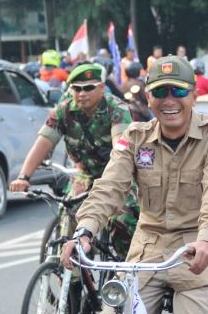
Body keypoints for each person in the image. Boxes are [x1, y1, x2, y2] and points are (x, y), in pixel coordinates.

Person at [61, 55, 208, 314]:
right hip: (148, 257)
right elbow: (109, 187)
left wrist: (205, 239)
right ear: (148, 97)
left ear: (194, 95)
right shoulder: (135, 137)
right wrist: (83, 231)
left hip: (202, 260)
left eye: (178, 91)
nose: (169, 100)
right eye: (160, 92)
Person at [9, 64, 139, 259]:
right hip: (85, 176)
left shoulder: (116, 108)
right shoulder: (63, 111)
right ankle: (73, 282)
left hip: (116, 177)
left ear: (101, 87)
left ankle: (126, 269)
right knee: (70, 216)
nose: (82, 93)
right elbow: (43, 143)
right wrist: (24, 176)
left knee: (124, 220)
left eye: (88, 88)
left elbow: (121, 148)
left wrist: (113, 182)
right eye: (76, 88)